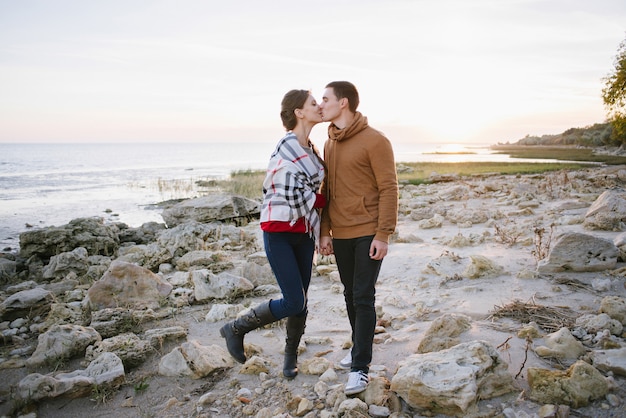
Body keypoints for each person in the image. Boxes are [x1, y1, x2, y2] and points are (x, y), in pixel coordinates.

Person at [220, 89, 326, 379]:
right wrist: (324, 200)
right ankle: (235, 328)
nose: (319, 107)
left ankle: (289, 356)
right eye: (313, 103)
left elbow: (309, 191)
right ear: (299, 112)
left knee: (300, 299)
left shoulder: (313, 150)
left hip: (302, 231)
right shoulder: (286, 147)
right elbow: (289, 189)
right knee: (293, 300)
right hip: (277, 232)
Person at [318, 81, 398, 395]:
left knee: (363, 296)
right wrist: (325, 230)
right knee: (350, 294)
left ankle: (360, 367)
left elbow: (389, 188)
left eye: (325, 99)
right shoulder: (329, 142)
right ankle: (356, 350)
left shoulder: (376, 140)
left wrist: (383, 234)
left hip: (368, 231)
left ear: (344, 103)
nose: (320, 104)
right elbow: (328, 192)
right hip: (341, 232)